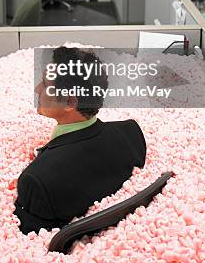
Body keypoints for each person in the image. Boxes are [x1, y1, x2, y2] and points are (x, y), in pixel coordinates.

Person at [14, 46, 146, 235]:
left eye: (45, 84)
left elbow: (31, 241)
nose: (37, 89)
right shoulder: (131, 134)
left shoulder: (36, 181)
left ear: (70, 103)